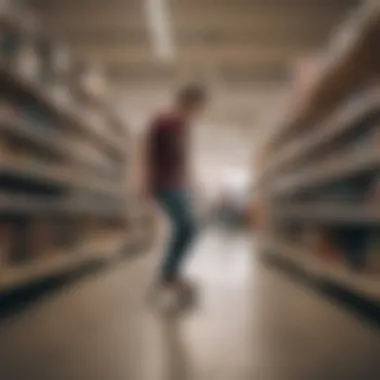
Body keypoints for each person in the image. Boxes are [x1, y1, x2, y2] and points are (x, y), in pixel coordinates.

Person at [146, 84, 208, 306]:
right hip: (162, 184)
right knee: (186, 225)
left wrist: (194, 183)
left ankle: (170, 273)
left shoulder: (184, 129)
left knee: (189, 227)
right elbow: (146, 155)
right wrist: (142, 185)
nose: (198, 114)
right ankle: (168, 274)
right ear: (185, 104)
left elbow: (183, 160)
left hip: (177, 184)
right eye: (197, 108)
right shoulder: (162, 123)